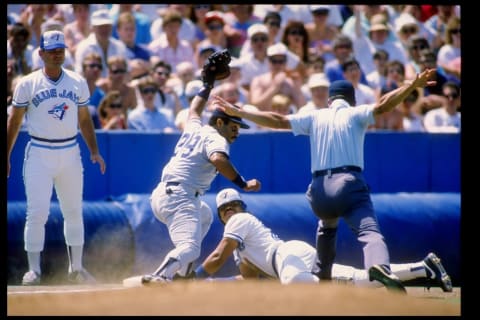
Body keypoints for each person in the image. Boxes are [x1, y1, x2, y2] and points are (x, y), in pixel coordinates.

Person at [212, 67, 438, 292]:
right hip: (348, 182)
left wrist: (240, 112)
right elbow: (383, 105)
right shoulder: (355, 113)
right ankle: (379, 266)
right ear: (351, 100)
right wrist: (410, 86)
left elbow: (277, 119)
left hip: (318, 190)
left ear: (330, 100)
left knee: (327, 226)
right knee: (369, 231)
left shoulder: (315, 115)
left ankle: (322, 275)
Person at [138, 50, 261, 284]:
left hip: (164, 194)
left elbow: (194, 110)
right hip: (180, 196)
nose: (237, 131)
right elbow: (218, 159)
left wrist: (207, 84)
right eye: (234, 125)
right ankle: (159, 276)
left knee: (204, 214)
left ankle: (183, 273)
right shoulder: (217, 137)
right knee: (191, 248)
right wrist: (242, 183)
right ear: (221, 122)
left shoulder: (196, 127)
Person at [193, 188, 453, 293]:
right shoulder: (243, 244)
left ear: (238, 208)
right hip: (292, 256)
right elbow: (248, 279)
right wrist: (214, 282)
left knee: (300, 291)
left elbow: (216, 258)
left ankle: (343, 296)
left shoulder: (239, 221)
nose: (231, 211)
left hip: (286, 259)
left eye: (234, 206)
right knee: (357, 278)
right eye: (228, 208)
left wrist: (194, 278)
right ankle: (423, 267)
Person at [7, 30, 106, 286]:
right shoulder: (27, 83)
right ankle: (34, 270)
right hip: (39, 151)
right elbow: (15, 121)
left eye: (60, 49)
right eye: (51, 50)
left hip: (69, 151)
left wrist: (94, 150)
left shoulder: (77, 81)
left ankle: (77, 268)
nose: (56, 54)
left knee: (73, 211)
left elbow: (84, 119)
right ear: (40, 53)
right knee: (36, 212)